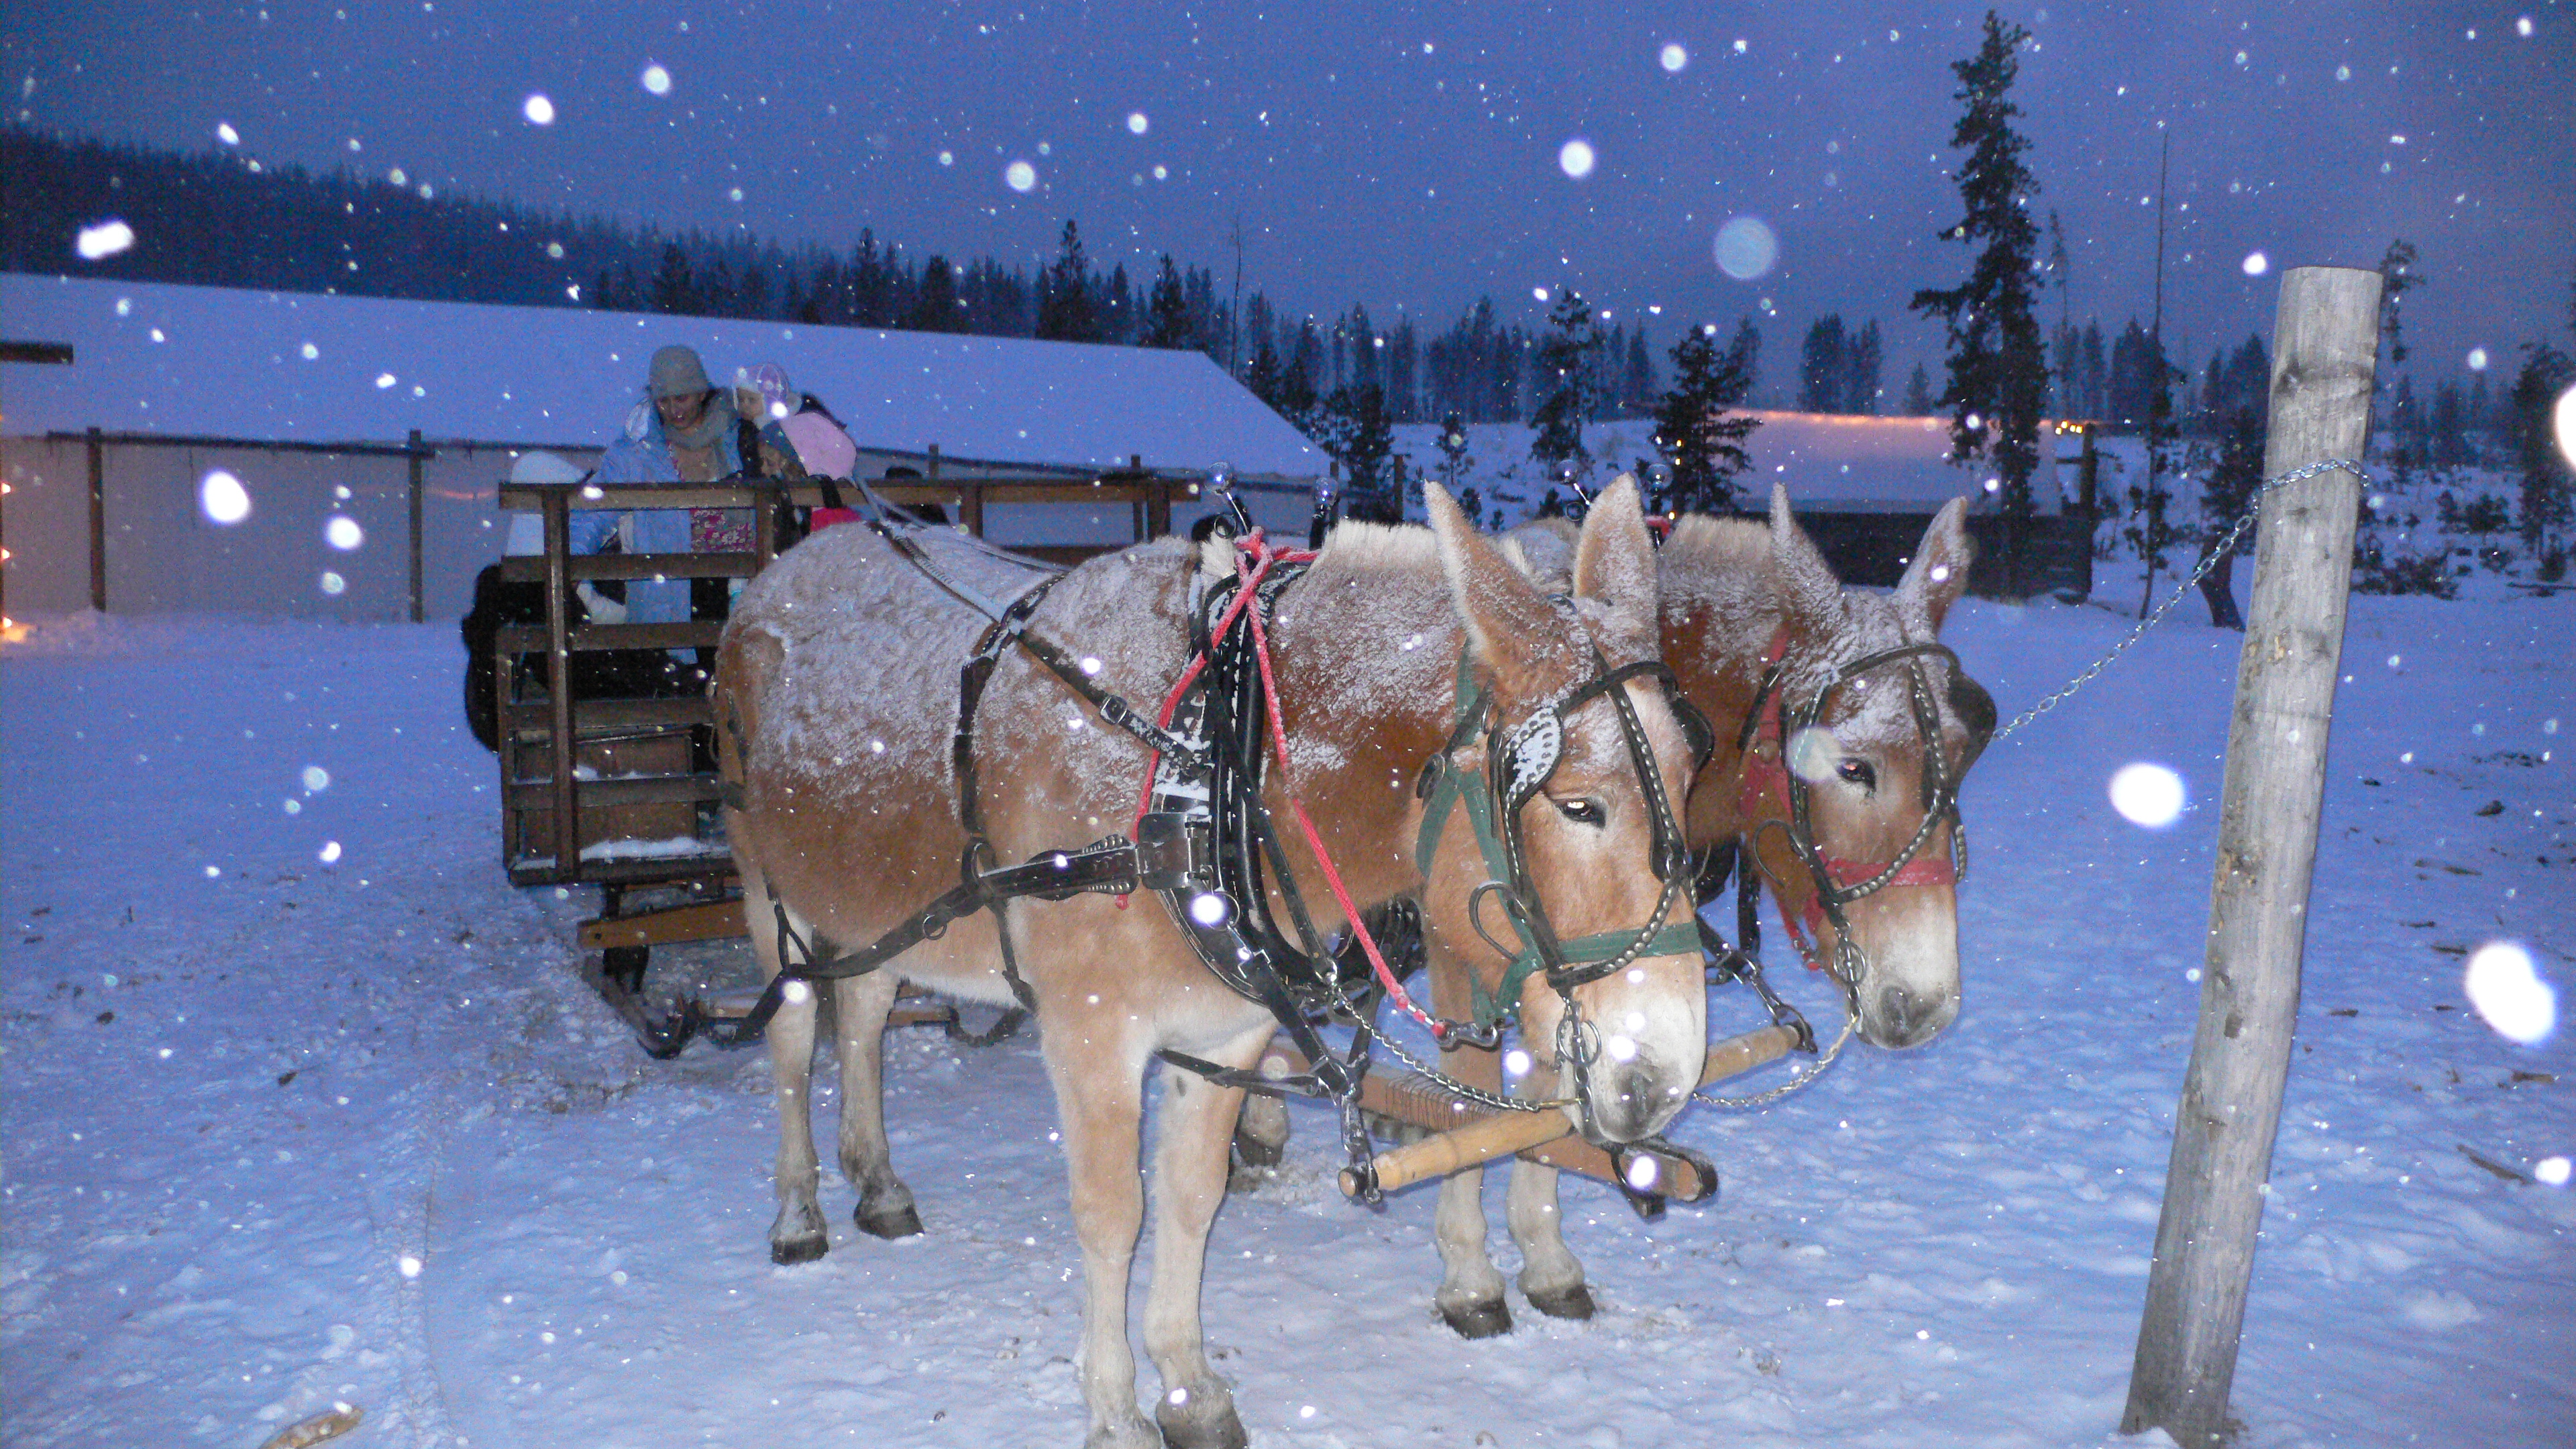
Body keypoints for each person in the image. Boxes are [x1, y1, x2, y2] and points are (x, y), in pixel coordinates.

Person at [584, 344, 745, 624]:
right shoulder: (638, 452)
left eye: (681, 398)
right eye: (663, 401)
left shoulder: (738, 438)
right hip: (665, 591)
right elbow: (594, 511)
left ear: (701, 393)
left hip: (733, 589)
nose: (673, 410)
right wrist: (573, 558)